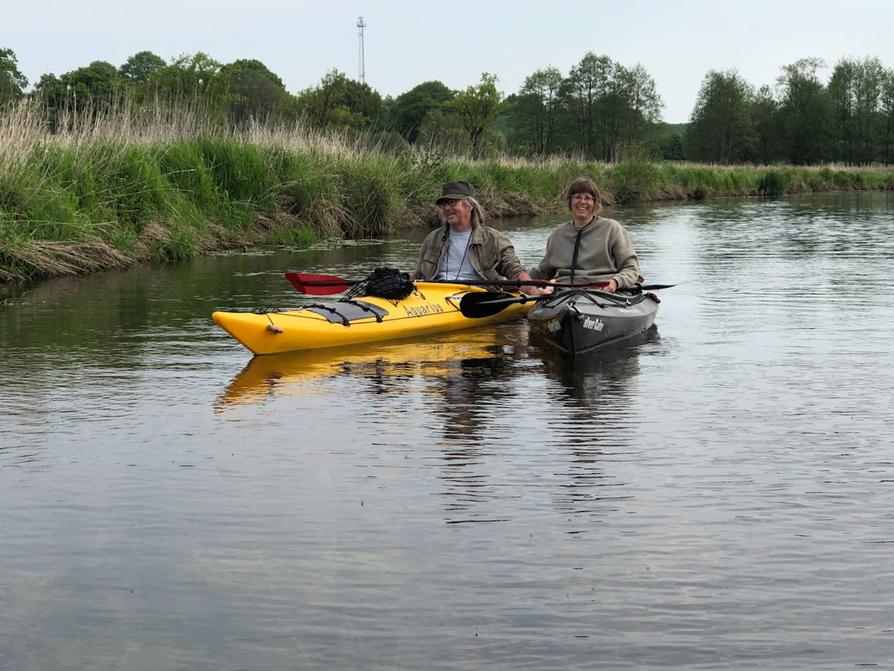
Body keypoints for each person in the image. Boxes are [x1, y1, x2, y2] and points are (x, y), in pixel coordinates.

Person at [523, 177, 640, 295]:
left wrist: (615, 282)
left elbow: (631, 268)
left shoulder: (612, 229)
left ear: (595, 203)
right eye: (577, 197)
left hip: (604, 293)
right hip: (564, 294)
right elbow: (543, 272)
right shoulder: (557, 235)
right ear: (570, 201)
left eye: (588, 198)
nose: (582, 202)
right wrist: (519, 280)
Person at [415, 181, 534, 288]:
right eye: (443, 204)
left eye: (452, 203)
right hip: (436, 294)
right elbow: (419, 275)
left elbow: (514, 270)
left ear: (469, 206)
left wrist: (533, 290)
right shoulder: (432, 239)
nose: (446, 208)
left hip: (476, 296)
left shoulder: (493, 239)